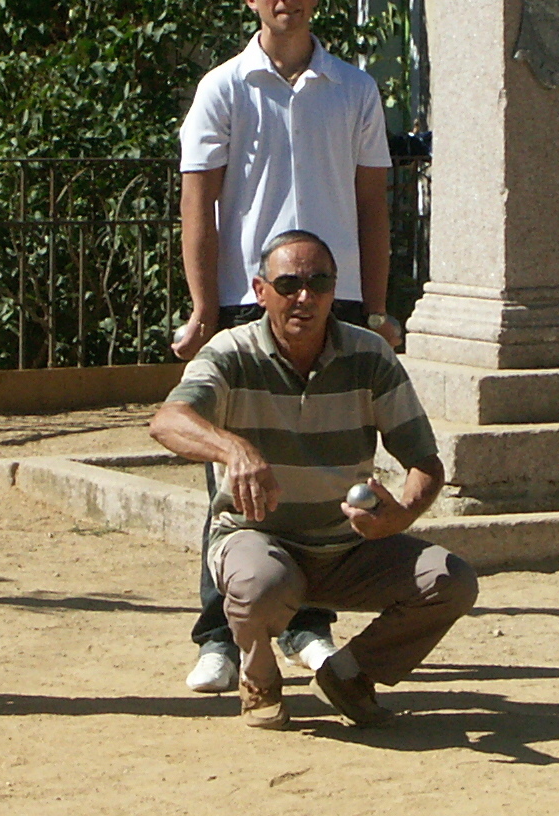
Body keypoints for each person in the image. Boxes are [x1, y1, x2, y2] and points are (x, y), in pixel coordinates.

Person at [170, 0, 402, 695]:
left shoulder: (354, 89)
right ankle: (220, 633)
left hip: (336, 294)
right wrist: (203, 307)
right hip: (249, 297)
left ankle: (309, 622)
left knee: (332, 462)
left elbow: (373, 202)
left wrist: (379, 306)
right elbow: (199, 204)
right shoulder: (223, 88)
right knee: (231, 473)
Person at [150, 230, 476, 730]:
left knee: (451, 581)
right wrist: (234, 449)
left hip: (347, 546)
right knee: (259, 583)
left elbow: (425, 463)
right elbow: (167, 421)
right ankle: (258, 676)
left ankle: (350, 673)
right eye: (288, 284)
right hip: (257, 538)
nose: (305, 297)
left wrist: (403, 514)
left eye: (319, 283)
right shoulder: (230, 352)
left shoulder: (370, 355)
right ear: (260, 291)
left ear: (334, 290)